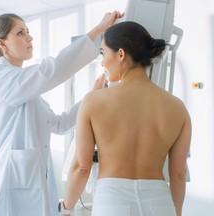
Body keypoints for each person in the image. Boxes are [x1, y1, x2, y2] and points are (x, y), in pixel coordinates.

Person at [0, 11, 123, 216]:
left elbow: (60, 124)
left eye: (28, 31)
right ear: (2, 44)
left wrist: (92, 95)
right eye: (20, 33)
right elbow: (51, 69)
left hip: (33, 185)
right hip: (11, 191)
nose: (29, 37)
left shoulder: (25, 87)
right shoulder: (1, 78)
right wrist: (98, 29)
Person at [61, 21, 191, 216]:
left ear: (120, 54)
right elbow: (179, 174)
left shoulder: (94, 101)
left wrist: (66, 209)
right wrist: (176, 212)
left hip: (113, 202)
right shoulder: (177, 107)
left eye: (103, 53)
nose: (103, 62)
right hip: (160, 203)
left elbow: (81, 167)